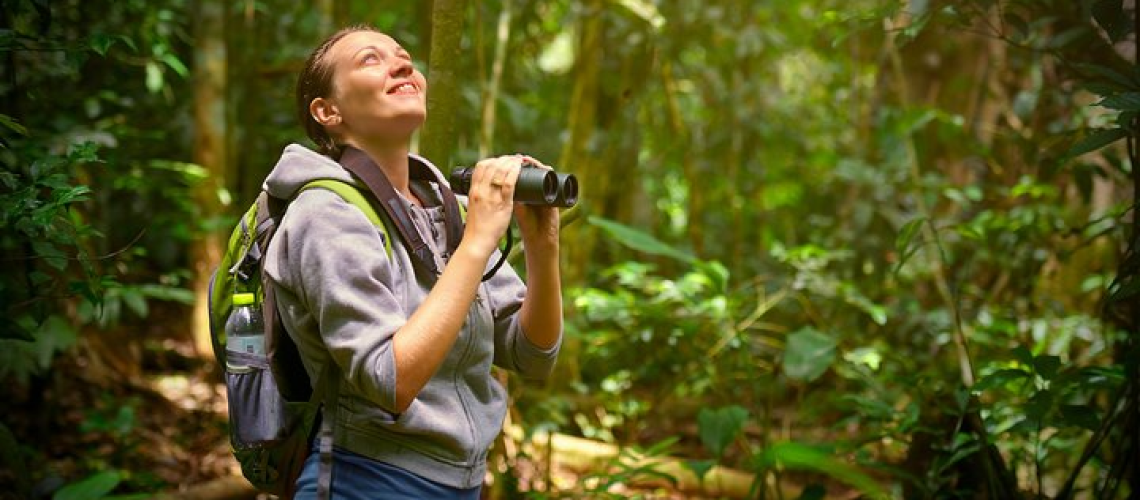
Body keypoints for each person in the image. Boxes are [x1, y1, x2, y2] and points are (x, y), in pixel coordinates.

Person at [262, 24, 564, 499]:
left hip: (462, 483)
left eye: (403, 55)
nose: (402, 64)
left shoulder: (443, 207)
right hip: (365, 479)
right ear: (328, 111)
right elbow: (389, 380)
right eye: (370, 59)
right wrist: (478, 241)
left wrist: (543, 247)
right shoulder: (324, 214)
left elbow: (532, 354)